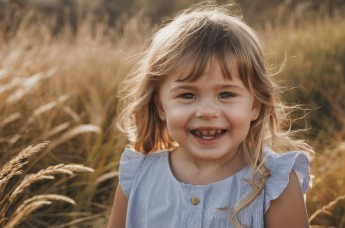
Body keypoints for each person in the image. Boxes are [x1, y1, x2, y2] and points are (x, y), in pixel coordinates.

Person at [107, 2, 313, 227]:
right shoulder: (137, 176)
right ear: (160, 107)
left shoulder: (275, 184)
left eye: (225, 94)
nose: (207, 112)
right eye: (187, 95)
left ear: (256, 105)